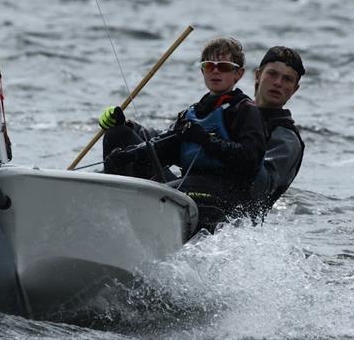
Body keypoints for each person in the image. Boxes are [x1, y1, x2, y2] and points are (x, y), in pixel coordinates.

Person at [98, 37, 266, 232]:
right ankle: (115, 224)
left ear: (238, 74)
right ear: (203, 70)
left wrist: (205, 139)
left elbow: (250, 159)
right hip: (190, 188)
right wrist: (129, 154)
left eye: (224, 67)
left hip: (225, 196)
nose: (216, 71)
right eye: (210, 66)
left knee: (178, 190)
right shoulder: (191, 114)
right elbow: (163, 148)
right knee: (117, 134)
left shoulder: (245, 110)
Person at [249, 46, 305, 218]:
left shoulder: (286, 140)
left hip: (230, 220)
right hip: (189, 194)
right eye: (272, 74)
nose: (278, 83)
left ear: (294, 89)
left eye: (287, 79)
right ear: (258, 75)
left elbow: (258, 190)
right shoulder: (225, 112)